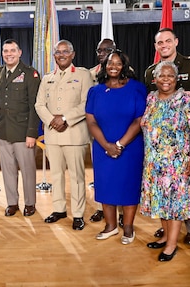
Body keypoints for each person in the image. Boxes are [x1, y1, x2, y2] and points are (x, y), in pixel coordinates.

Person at [144, 28, 190, 245]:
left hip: (181, 154)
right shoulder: (151, 88)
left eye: (168, 41)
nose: (164, 45)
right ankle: (168, 233)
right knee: (162, 197)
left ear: (176, 42)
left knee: (183, 196)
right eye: (160, 42)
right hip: (156, 158)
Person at [86, 50, 146, 244]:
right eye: (110, 63)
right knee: (105, 185)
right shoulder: (95, 91)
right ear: (104, 66)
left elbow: (139, 120)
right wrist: (106, 145)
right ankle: (110, 226)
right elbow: (91, 121)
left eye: (118, 63)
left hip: (130, 147)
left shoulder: (136, 88)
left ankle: (128, 227)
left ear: (124, 66)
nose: (113, 66)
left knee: (129, 186)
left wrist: (119, 144)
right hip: (103, 148)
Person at [35, 39, 93, 230]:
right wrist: (53, 120)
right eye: (58, 52)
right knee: (56, 175)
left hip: (74, 134)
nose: (61, 55)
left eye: (65, 52)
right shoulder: (47, 78)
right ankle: (59, 209)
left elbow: (86, 104)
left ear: (72, 54)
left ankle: (78, 214)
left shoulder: (83, 75)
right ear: (54, 56)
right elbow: (39, 105)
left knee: (77, 177)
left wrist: (65, 118)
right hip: (53, 134)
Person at [0, 39, 41, 217]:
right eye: (6, 51)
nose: (9, 54)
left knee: (28, 171)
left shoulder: (30, 74)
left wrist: (32, 133)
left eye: (12, 50)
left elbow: (34, 106)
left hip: (23, 132)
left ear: (20, 52)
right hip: (5, 130)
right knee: (8, 170)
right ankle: (12, 202)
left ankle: (30, 203)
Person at [88, 38, 119, 224]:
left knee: (120, 172)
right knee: (100, 173)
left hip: (119, 130)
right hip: (98, 131)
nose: (102, 54)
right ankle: (101, 207)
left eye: (106, 50)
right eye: (99, 51)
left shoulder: (126, 73)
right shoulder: (90, 74)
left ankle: (122, 212)